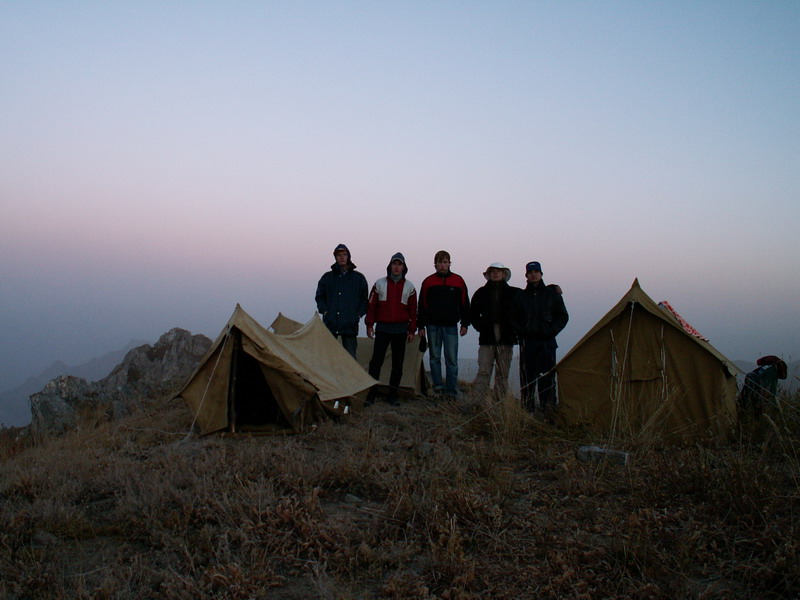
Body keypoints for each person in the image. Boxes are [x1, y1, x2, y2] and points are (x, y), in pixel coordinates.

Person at [509, 261, 569, 418]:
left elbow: (563, 316)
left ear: (541, 274)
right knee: (527, 378)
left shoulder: (551, 294)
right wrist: (521, 332)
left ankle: (548, 411)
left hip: (547, 343)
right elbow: (513, 317)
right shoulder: (521, 296)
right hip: (527, 343)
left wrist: (551, 331)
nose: (533, 274)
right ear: (526, 275)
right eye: (530, 272)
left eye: (536, 272)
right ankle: (527, 411)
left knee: (547, 378)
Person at [365, 253, 417, 406]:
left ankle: (392, 395)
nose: (396, 267)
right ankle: (371, 394)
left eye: (399, 264)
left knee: (397, 364)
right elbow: (371, 306)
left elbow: (413, 310)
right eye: (394, 263)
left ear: (404, 267)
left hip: (400, 330)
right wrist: (369, 324)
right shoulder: (379, 284)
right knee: (376, 362)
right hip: (382, 328)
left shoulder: (409, 287)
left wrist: (412, 330)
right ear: (390, 265)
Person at [418, 250, 470, 400]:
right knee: (434, 357)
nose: (442, 265)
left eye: (445, 262)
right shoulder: (428, 282)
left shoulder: (458, 281)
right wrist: (421, 326)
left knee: (451, 359)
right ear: (435, 264)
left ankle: (451, 390)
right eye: (440, 262)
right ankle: (438, 388)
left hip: (451, 326)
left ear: (449, 263)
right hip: (432, 326)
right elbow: (422, 305)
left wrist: (465, 323)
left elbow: (465, 303)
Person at [469, 262, 520, 404]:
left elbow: (530, 297)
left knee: (503, 373)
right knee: (484, 371)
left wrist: (552, 288)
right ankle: (478, 403)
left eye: (498, 271)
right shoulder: (481, 292)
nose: (495, 273)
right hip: (487, 337)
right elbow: (473, 313)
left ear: (504, 274)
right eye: (493, 271)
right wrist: (481, 327)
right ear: (489, 274)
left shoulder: (514, 293)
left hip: (506, 337)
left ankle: (499, 403)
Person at [315, 243, 368, 359]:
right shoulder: (327, 278)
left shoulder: (358, 278)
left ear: (349, 256)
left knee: (350, 360)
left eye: (344, 254)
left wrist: (358, 315)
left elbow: (364, 300)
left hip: (350, 325)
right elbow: (320, 297)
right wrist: (325, 312)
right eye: (339, 255)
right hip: (330, 324)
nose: (342, 257)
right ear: (335, 257)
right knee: (327, 358)